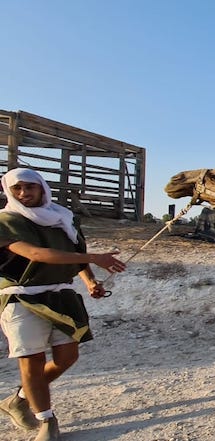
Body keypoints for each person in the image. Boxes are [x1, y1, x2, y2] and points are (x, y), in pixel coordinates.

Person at [0, 168, 126, 441]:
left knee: (67, 358)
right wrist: (96, 258)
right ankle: (46, 419)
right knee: (31, 362)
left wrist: (90, 280)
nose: (24, 193)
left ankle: (20, 397)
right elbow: (37, 254)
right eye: (17, 188)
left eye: (30, 187)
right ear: (9, 190)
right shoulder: (6, 221)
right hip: (22, 297)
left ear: (42, 188)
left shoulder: (62, 218)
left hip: (62, 296)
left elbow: (74, 255)